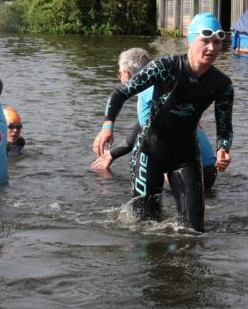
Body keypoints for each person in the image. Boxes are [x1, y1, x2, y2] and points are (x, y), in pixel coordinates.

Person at [92, 13, 233, 232]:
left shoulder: (222, 84)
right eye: (205, 41)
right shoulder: (165, 67)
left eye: (217, 42)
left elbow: (224, 126)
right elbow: (121, 93)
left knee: (194, 232)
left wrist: (223, 148)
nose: (212, 48)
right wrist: (107, 127)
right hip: (149, 152)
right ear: (191, 40)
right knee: (143, 225)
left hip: (186, 157)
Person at [92, 48, 218, 190]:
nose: (119, 77)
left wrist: (165, 168)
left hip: (186, 171)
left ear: (127, 74)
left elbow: (167, 132)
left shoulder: (147, 91)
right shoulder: (165, 84)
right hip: (209, 171)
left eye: (119, 74)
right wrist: (111, 155)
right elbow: (141, 129)